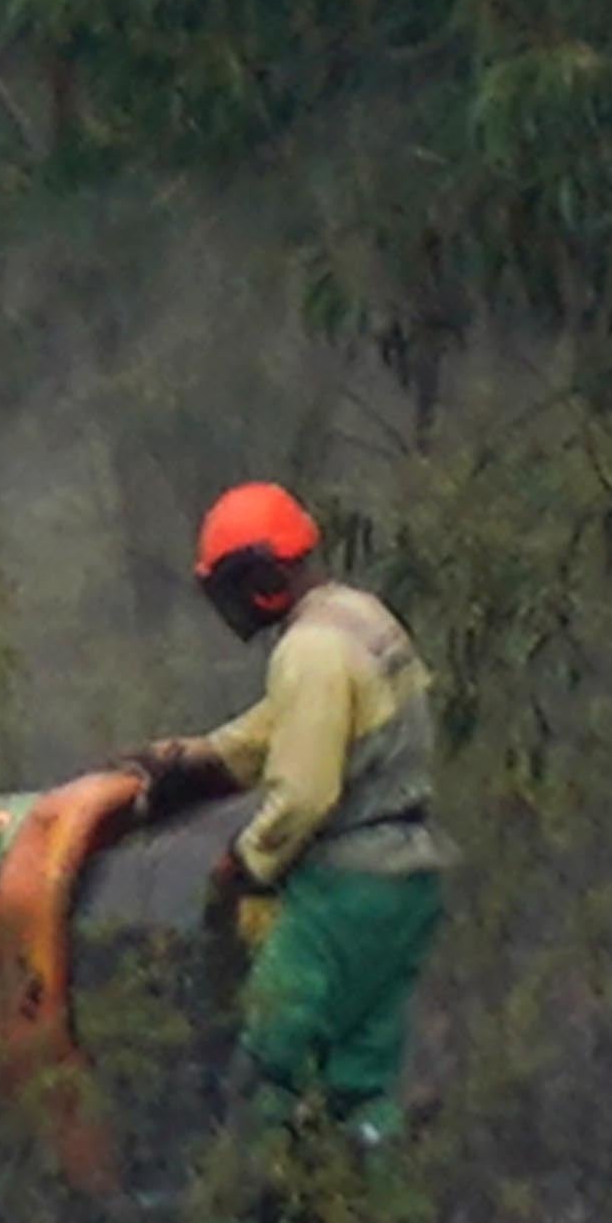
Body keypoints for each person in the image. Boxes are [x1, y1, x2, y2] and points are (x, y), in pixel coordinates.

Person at [121, 482, 450, 1142]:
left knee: (265, 1069)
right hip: (408, 878)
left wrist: (242, 865)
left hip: (344, 891)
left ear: (262, 579)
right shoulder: (359, 619)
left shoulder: (308, 652)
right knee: (362, 1084)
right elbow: (282, 729)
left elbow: (304, 794)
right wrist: (192, 758)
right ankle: (375, 1220)